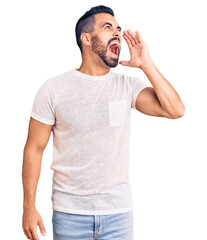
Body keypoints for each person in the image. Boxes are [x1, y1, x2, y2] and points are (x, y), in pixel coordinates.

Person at [22, 5, 185, 240]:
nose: (117, 33)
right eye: (108, 27)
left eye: (118, 28)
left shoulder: (127, 87)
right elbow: (34, 149)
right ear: (86, 38)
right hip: (69, 215)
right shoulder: (53, 89)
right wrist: (29, 206)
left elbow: (176, 110)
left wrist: (146, 65)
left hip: (118, 216)